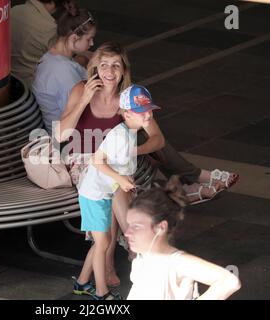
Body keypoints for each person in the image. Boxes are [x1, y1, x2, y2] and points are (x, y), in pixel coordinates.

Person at [55, 41, 239, 287]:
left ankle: (114, 265)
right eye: (104, 65)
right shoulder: (81, 89)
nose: (109, 71)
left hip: (115, 163)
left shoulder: (129, 97)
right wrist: (83, 100)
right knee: (117, 184)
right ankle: (140, 250)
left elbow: (158, 139)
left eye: (116, 66)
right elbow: (59, 136)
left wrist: (134, 149)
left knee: (116, 185)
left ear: (123, 71)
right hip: (83, 157)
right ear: (95, 67)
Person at [74, 84, 161, 300]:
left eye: (149, 110)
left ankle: (82, 282)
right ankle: (102, 293)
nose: (148, 115)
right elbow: (96, 160)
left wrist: (123, 178)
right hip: (94, 195)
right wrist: (121, 179)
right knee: (103, 242)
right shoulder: (119, 136)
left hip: (102, 194)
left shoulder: (129, 133)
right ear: (127, 113)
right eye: (143, 112)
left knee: (103, 241)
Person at [125, 176, 241, 300]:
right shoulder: (143, 256)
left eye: (136, 226)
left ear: (160, 228)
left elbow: (229, 282)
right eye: (129, 225)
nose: (127, 232)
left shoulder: (176, 262)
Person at [32, 9, 96, 135]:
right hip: (70, 139)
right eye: (89, 39)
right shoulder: (64, 72)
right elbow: (79, 113)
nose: (92, 43)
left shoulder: (50, 58)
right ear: (73, 38)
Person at [11, 0, 78, 87]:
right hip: (29, 87)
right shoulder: (50, 29)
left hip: (6, 78)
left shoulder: (14, 10)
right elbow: (63, 63)